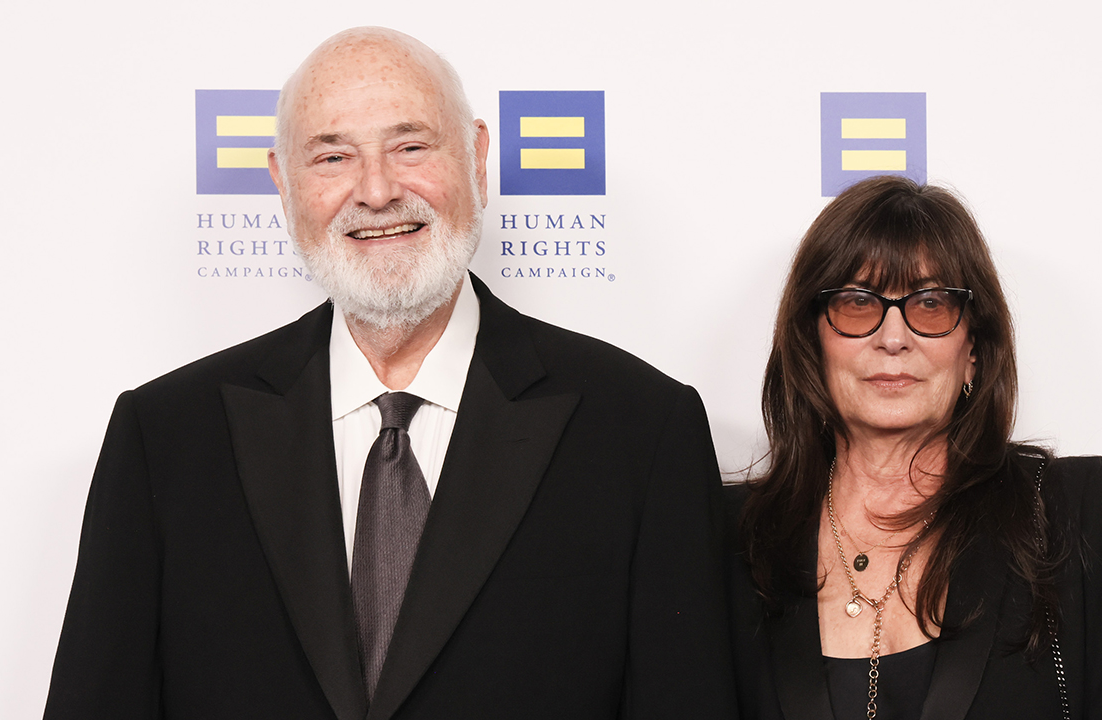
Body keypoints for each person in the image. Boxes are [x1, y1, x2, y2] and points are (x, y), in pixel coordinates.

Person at [44, 27, 736, 720]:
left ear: (478, 160)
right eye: (333, 157)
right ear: (284, 184)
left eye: (410, 147)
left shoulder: (641, 431)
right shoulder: (165, 439)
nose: (375, 190)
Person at [729, 176, 1102, 719]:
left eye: (931, 304)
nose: (893, 337)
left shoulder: (1077, 512)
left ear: (974, 352)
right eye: (856, 302)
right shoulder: (730, 539)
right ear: (812, 342)